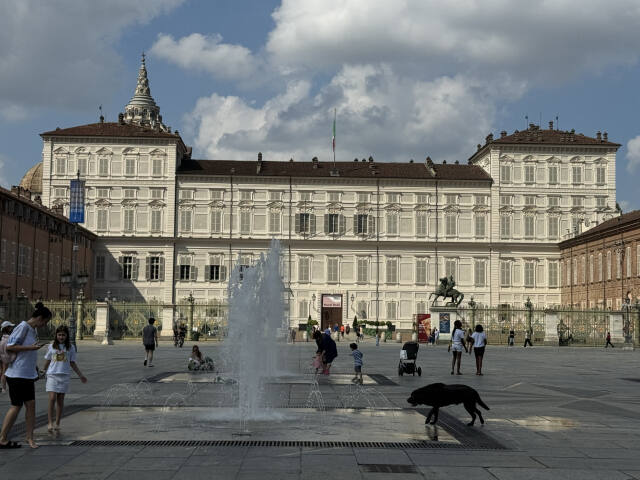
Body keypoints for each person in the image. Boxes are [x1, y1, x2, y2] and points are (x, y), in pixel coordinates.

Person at [0, 302, 52, 449]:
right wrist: (31, 347)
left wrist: (35, 368)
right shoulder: (23, 327)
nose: (44, 325)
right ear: (40, 318)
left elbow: (30, 353)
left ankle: (30, 438)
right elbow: (10, 346)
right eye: (45, 322)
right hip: (17, 374)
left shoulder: (32, 330)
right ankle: (2, 438)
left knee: (31, 406)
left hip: (27, 374)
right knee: (16, 406)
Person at [43, 325, 87, 432]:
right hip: (52, 375)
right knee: (52, 398)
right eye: (59, 335)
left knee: (60, 400)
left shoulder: (70, 347)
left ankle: (57, 422)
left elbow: (72, 363)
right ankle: (50, 422)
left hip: (64, 375)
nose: (61, 337)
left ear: (66, 336)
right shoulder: (51, 346)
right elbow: (48, 360)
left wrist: (81, 375)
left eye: (63, 335)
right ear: (56, 335)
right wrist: (43, 370)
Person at [0, 321, 15, 394]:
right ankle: (5, 387)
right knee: (5, 372)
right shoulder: (9, 337)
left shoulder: (3, 336)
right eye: (10, 327)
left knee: (3, 371)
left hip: (2, 356)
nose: (12, 328)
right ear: (7, 328)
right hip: (6, 356)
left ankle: (3, 388)